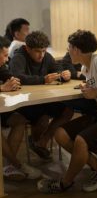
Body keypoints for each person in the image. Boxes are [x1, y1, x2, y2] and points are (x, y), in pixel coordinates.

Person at [38, 30, 97, 193]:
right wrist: (89, 88)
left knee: (81, 140)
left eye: (69, 47)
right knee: (60, 133)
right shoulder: (85, 68)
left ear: (77, 50)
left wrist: (95, 93)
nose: (68, 50)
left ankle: (65, 183)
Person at [10, 31, 73, 160]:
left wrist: (64, 74)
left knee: (68, 110)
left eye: (44, 51)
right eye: (38, 51)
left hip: (43, 99)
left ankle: (42, 142)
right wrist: (43, 80)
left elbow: (57, 68)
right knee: (43, 117)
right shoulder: (19, 57)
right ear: (27, 48)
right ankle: (35, 142)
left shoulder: (46, 56)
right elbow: (17, 77)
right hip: (24, 102)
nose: (41, 55)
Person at [0, 35, 40, 180]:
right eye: (4, 55)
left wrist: (12, 81)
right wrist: (2, 88)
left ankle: (7, 167)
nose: (6, 59)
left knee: (20, 120)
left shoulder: (1, 65)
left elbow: (9, 76)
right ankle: (16, 164)